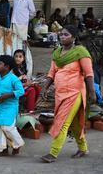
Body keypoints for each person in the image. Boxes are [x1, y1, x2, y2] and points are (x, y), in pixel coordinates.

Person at [40, 25, 96, 163]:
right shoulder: (57, 54)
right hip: (60, 94)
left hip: (75, 93)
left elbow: (89, 74)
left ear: (74, 37)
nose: (62, 36)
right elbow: (51, 73)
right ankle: (83, 148)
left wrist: (92, 93)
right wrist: (44, 88)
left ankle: (53, 153)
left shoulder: (80, 52)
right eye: (61, 34)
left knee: (63, 122)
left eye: (66, 34)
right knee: (76, 124)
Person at [0, 55, 26, 157]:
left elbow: (21, 91)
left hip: (11, 107)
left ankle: (17, 144)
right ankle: (3, 149)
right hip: (0, 107)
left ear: (6, 67)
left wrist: (8, 95)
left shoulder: (13, 79)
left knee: (8, 127)